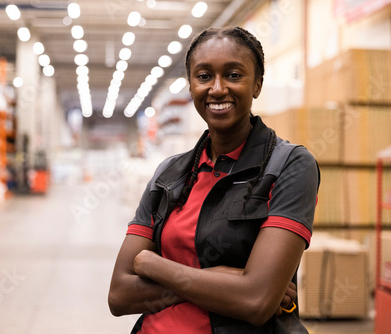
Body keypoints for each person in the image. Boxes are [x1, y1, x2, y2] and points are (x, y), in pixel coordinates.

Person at [108, 26, 319, 333]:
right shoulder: (170, 174)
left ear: (257, 84)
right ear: (191, 86)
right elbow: (119, 294)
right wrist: (223, 279)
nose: (217, 89)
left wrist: (153, 265)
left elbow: (256, 301)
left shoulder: (290, 166)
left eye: (234, 75)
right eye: (204, 76)